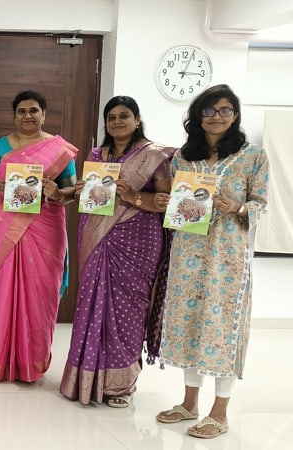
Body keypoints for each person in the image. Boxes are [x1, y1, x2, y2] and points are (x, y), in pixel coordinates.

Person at [153, 85, 269, 439]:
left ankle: (220, 412)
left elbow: (261, 203)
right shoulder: (183, 157)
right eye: (209, 110)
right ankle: (189, 403)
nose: (217, 116)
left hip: (227, 256)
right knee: (188, 324)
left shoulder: (253, 156)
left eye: (225, 110)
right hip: (188, 251)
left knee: (221, 328)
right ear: (197, 116)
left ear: (235, 115)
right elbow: (178, 201)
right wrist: (166, 201)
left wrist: (238, 207)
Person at [59, 96, 176, 407]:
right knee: (91, 303)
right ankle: (85, 379)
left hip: (137, 242)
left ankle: (120, 385)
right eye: (111, 117)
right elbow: (91, 197)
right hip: (97, 238)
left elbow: (166, 203)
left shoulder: (154, 156)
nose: (117, 122)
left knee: (129, 312)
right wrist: (78, 191)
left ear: (137, 120)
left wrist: (135, 196)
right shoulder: (97, 155)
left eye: (124, 116)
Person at [0, 90, 78, 382]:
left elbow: (72, 192)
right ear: (14, 116)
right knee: (5, 290)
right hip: (4, 226)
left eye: (34, 110)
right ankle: (0, 358)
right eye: (21, 111)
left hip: (45, 228)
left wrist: (57, 193)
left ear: (44, 114)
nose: (28, 116)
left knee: (41, 295)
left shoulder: (59, 150)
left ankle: (32, 361)